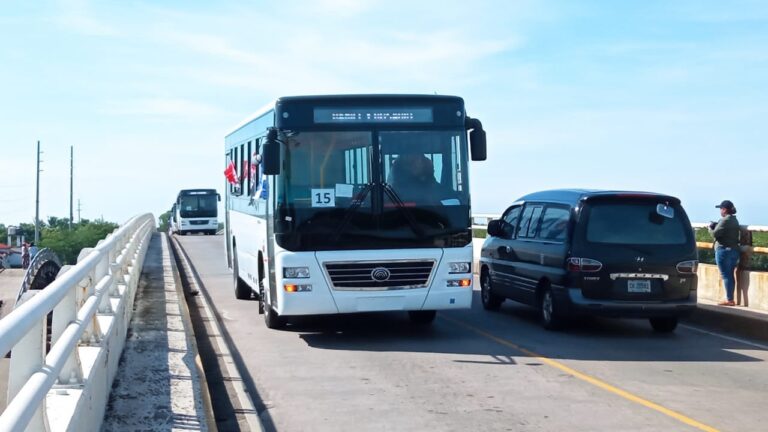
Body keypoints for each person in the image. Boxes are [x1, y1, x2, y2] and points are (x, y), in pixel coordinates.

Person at [708, 200, 740, 306]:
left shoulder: (724, 220)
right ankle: (730, 298)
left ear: (725, 210)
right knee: (730, 275)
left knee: (726, 275)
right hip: (734, 250)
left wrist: (710, 228)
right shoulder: (735, 220)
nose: (720, 211)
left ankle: (729, 299)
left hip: (723, 251)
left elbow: (715, 234)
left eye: (721, 209)